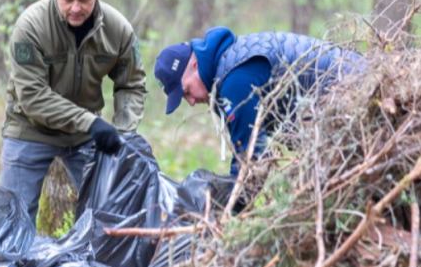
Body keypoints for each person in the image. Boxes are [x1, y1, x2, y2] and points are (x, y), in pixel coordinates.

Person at [0, 0, 147, 223]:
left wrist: (124, 130)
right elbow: (33, 97)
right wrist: (91, 123)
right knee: (11, 223)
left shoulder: (117, 28)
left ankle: (94, 264)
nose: (76, 8)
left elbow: (132, 84)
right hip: (30, 128)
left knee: (107, 215)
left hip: (86, 137)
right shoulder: (30, 26)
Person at [154, 27, 364, 176]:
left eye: (187, 91)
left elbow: (252, 161)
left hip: (357, 90)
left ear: (194, 65)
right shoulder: (226, 66)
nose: (190, 102)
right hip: (351, 90)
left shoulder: (234, 80)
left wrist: (225, 215)